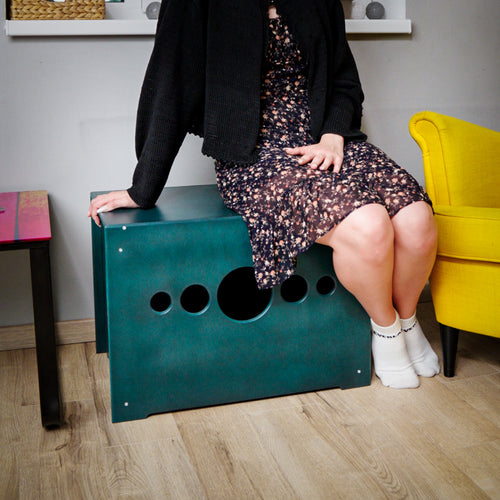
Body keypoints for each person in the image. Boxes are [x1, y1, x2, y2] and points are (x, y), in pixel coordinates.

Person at [88, 0, 440, 389]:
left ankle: (408, 321)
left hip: (326, 142)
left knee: (417, 221)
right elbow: (170, 83)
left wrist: (333, 135)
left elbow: (344, 80)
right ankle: (387, 330)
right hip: (255, 155)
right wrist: (143, 188)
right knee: (370, 226)